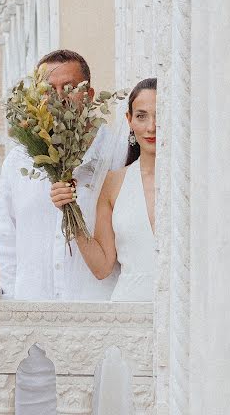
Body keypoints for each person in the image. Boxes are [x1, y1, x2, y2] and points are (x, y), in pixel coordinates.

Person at [0, 49, 122, 301]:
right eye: (49, 90)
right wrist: (10, 301)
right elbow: (5, 237)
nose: (59, 97)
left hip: (97, 307)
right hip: (32, 307)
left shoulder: (114, 153)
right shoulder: (18, 161)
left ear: (89, 95)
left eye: (69, 87)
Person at [50, 78, 156, 301]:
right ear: (129, 120)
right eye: (141, 116)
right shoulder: (113, 183)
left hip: (186, 315)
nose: (151, 127)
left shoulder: (197, 183)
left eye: (160, 115)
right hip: (128, 310)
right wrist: (71, 210)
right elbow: (102, 267)